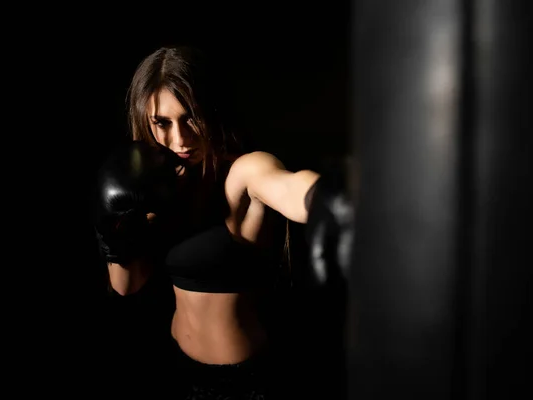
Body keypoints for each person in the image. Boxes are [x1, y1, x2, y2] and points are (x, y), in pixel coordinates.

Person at [94, 45, 350, 399]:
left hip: (245, 382)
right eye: (162, 123)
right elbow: (126, 285)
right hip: (176, 368)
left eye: (190, 118)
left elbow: (286, 186)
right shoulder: (151, 185)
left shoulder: (242, 172)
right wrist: (113, 229)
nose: (179, 139)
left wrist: (330, 200)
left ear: (210, 112)